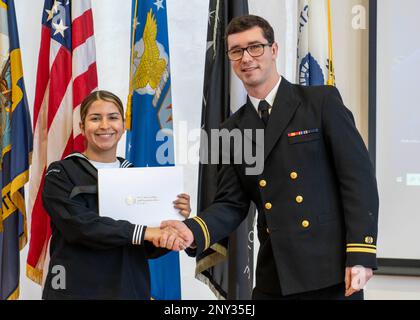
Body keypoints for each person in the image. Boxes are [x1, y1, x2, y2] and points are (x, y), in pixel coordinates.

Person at [161, 15, 379, 300]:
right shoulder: (231, 130)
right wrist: (193, 231)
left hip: (330, 271)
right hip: (275, 275)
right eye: (236, 51)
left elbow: (358, 181)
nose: (246, 58)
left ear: (273, 50)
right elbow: (230, 203)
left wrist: (360, 253)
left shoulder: (320, 102)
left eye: (255, 47)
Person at [41, 90, 191, 299]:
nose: (104, 125)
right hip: (76, 289)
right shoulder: (61, 173)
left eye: (113, 117)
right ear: (82, 127)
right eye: (95, 118)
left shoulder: (139, 177)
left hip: (130, 289)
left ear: (123, 125)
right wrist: (146, 232)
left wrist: (172, 220)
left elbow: (147, 248)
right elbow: (81, 227)